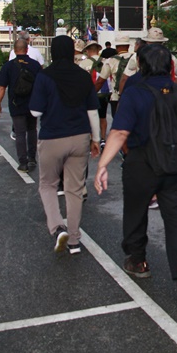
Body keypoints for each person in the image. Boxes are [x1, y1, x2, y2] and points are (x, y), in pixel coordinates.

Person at [94, 44, 177, 304]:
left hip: (143, 162)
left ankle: (138, 260)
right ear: (170, 67)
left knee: (135, 209)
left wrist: (102, 165)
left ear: (140, 65)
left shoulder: (135, 92)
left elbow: (119, 133)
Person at [29, 35, 101, 255]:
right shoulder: (83, 76)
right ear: (72, 52)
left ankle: (58, 226)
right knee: (75, 189)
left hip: (52, 137)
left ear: (53, 52)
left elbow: (35, 112)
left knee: (48, 184)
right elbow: (92, 111)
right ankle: (74, 240)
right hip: (79, 137)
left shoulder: (44, 77)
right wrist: (96, 139)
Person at [0, 38, 42, 172]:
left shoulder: (8, 66)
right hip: (32, 103)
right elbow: (41, 85)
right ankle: (32, 158)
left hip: (16, 104)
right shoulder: (35, 65)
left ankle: (23, 163)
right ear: (27, 49)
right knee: (32, 130)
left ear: (14, 51)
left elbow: (2, 88)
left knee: (20, 133)